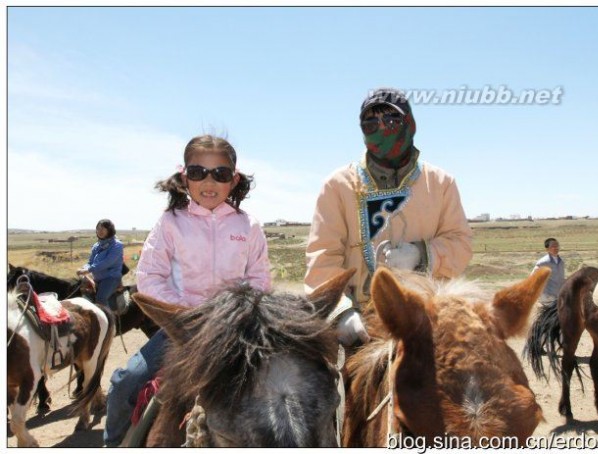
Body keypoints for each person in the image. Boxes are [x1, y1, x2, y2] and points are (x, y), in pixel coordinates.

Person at [103, 135, 271, 447]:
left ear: (233, 180)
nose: (209, 181)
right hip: (181, 329)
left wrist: (238, 313)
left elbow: (260, 279)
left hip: (236, 331)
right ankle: (113, 445)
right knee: (125, 382)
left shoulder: (249, 226)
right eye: (198, 172)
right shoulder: (170, 223)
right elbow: (150, 276)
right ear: (185, 178)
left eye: (220, 174)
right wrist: (186, 313)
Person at [304, 87, 473, 347]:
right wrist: (342, 313)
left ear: (411, 124)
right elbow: (322, 259)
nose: (381, 128)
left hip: (430, 321)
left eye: (392, 121)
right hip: (362, 326)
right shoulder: (337, 186)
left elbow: (461, 244)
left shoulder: (441, 183)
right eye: (370, 123)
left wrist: (423, 254)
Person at [77, 219, 124, 309]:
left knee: (101, 298)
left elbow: (108, 262)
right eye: (98, 229)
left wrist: (88, 270)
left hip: (111, 277)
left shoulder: (117, 245)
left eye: (103, 229)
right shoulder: (96, 246)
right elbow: (90, 262)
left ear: (109, 230)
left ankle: (110, 322)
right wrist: (84, 269)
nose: (100, 231)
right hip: (97, 278)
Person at [531, 238, 565, 305]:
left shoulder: (561, 262)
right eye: (553, 246)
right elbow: (532, 277)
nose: (556, 248)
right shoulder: (543, 262)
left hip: (558, 294)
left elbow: (561, 278)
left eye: (557, 245)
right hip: (547, 296)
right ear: (547, 249)